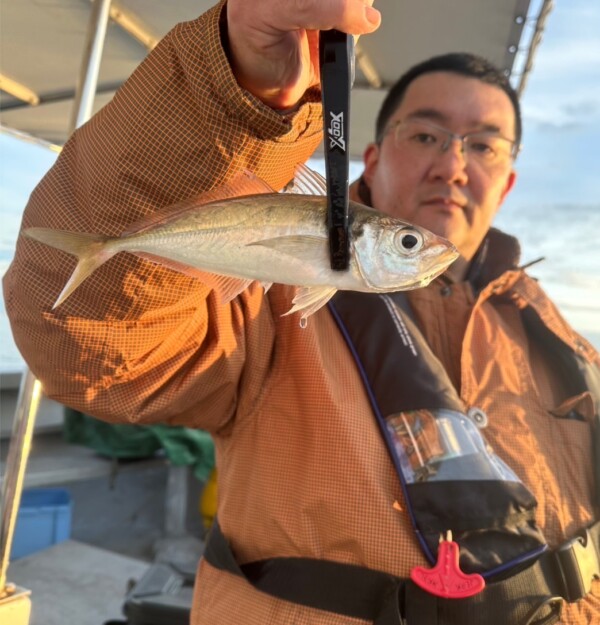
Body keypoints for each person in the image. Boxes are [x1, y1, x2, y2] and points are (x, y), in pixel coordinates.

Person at [3, 0, 599, 623]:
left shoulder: (555, 330)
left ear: (505, 182)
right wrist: (236, 95)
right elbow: (85, 340)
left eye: (482, 145)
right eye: (425, 135)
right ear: (371, 158)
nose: (452, 166)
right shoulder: (273, 301)